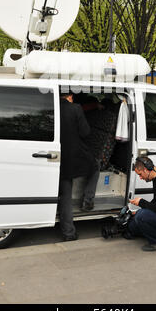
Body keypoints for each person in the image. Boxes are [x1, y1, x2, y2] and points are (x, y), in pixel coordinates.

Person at [59, 91, 96, 241]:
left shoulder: (51, 106)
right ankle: (88, 200)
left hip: (54, 155)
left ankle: (69, 232)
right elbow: (86, 132)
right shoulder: (75, 108)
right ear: (70, 96)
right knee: (95, 166)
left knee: (65, 195)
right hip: (72, 158)